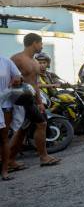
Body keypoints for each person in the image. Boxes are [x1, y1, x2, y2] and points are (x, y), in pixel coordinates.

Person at [9, 33, 61, 167]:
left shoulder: (35, 62)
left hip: (31, 99)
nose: (42, 46)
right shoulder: (17, 59)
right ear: (34, 43)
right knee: (42, 124)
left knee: (23, 130)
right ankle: (43, 157)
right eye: (41, 43)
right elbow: (5, 79)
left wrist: (39, 102)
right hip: (19, 99)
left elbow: (36, 84)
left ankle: (9, 160)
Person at [1, 56, 23, 181]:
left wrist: (17, 80)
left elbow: (18, 77)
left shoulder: (5, 61)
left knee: (3, 138)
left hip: (4, 105)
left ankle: (4, 170)